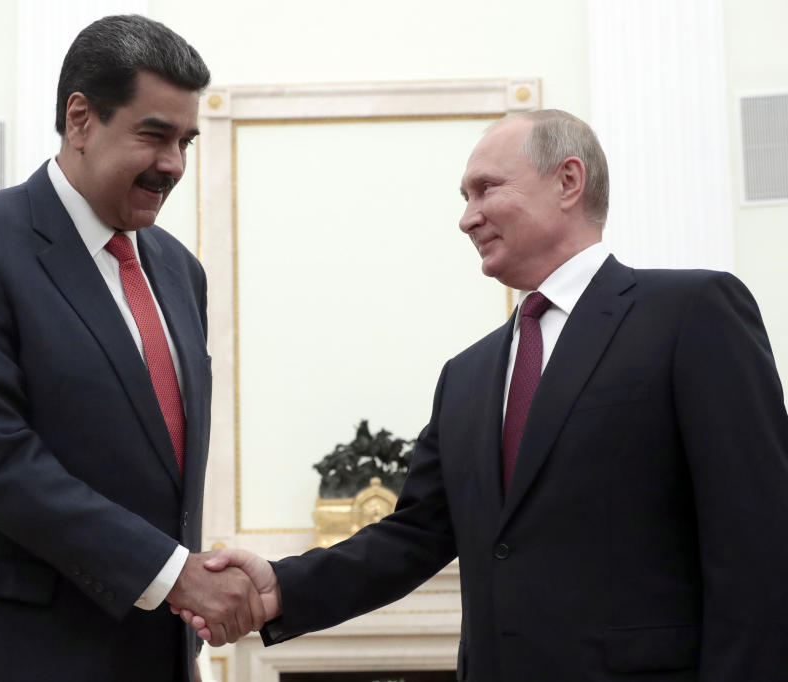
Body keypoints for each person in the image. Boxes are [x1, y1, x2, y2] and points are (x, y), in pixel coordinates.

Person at [182, 110, 788, 681]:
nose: (467, 218)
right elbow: (414, 536)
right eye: (464, 199)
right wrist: (279, 588)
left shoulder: (692, 314)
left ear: (568, 181)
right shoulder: (467, 376)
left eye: (485, 189)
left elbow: (758, 543)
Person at [0, 15, 263, 682]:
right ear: (82, 120)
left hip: (148, 655)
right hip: (7, 656)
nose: (173, 165)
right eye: (154, 136)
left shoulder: (181, 273)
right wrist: (176, 576)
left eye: (186, 141)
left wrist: (184, 581)